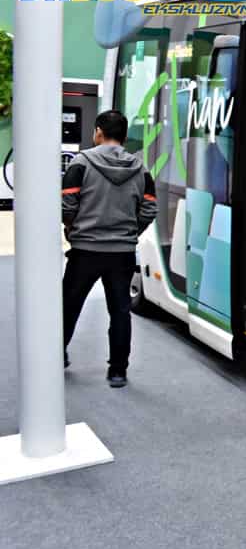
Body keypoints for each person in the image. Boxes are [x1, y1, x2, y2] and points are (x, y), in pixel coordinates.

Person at [62, 111, 157, 388]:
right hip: (122, 253)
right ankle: (117, 371)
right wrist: (130, 233)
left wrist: (72, 228)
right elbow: (149, 208)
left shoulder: (81, 163)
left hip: (85, 250)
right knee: (120, 311)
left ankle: (57, 354)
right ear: (124, 136)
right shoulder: (141, 169)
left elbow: (67, 204)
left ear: (98, 132)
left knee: (68, 306)